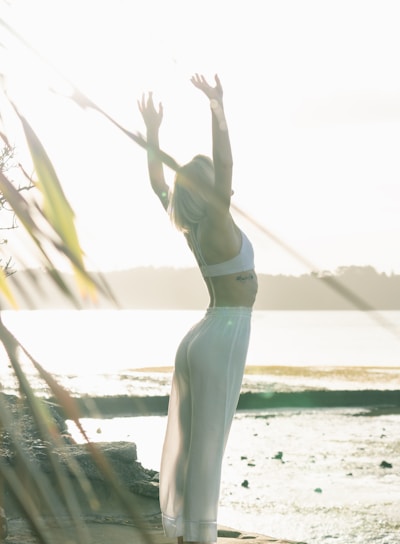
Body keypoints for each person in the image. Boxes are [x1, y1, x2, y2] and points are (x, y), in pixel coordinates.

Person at [138, 73, 258, 544]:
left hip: (202, 335)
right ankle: (200, 539)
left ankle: (185, 533)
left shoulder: (192, 228)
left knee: (190, 441)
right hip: (225, 332)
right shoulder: (216, 219)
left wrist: (152, 132)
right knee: (208, 444)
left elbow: (155, 181)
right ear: (208, 189)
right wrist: (216, 106)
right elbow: (226, 161)